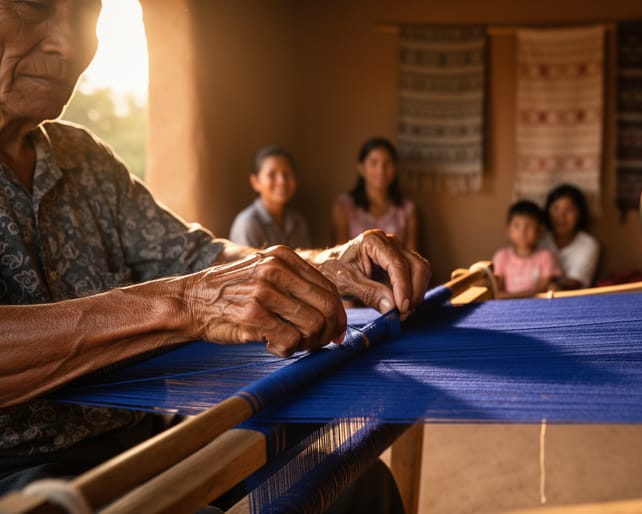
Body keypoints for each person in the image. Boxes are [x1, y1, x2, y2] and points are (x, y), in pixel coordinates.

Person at [0, 2, 428, 512]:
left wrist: (322, 265)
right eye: (36, 4)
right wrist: (185, 306)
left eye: (85, 12)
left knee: (360, 487)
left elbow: (197, 256)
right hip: (19, 474)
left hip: (137, 442)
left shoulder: (85, 160)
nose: (69, 44)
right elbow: (193, 290)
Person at [332, 137, 417, 252]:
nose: (381, 170)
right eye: (374, 163)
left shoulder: (406, 209)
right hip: (352, 270)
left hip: (397, 269)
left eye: (387, 163)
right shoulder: (344, 206)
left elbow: (412, 254)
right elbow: (338, 255)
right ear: (361, 167)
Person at [230, 144, 311, 249]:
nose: (282, 181)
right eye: (272, 175)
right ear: (255, 182)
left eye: (286, 174)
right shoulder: (248, 224)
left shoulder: (298, 223)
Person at [492, 200, 561, 298]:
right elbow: (496, 287)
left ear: (539, 230)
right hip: (508, 306)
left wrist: (508, 296)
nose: (522, 232)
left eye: (529, 226)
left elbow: (544, 288)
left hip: (536, 304)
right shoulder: (502, 256)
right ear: (508, 230)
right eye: (517, 226)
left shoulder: (545, 256)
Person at [540, 184, 600, 290]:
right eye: (556, 209)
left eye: (569, 210)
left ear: (580, 213)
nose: (561, 217)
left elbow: (574, 284)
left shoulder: (588, 244)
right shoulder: (539, 240)